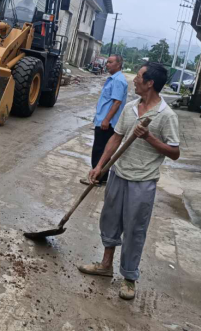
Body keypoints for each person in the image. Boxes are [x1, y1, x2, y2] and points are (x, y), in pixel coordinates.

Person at [78, 62, 180, 301]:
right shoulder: (131, 108)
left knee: (135, 230)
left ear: (150, 83)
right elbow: (116, 138)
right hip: (118, 174)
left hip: (142, 181)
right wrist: (100, 166)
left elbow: (175, 152)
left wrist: (150, 138)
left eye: (139, 77)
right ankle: (105, 265)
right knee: (110, 220)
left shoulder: (166, 115)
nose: (134, 80)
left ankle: (129, 278)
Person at [81, 54, 128, 186]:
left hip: (107, 123)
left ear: (118, 65)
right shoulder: (114, 79)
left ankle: (97, 177)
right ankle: (100, 176)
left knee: (100, 149)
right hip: (103, 120)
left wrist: (106, 119)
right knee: (100, 148)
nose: (107, 64)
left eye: (110, 62)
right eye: (107, 62)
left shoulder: (118, 80)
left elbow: (117, 102)